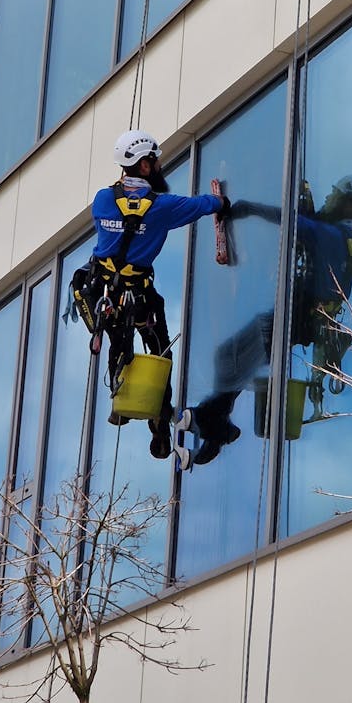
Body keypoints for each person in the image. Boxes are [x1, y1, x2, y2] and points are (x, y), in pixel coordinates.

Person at [182, 174, 352, 466]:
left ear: (348, 204)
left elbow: (300, 225)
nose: (328, 198)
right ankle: (219, 429)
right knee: (238, 363)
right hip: (306, 319)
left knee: (229, 357)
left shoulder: (333, 236)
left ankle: (212, 421)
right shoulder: (346, 238)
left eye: (335, 195)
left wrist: (250, 208)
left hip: (298, 319)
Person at [72, 129, 230, 459]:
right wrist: (222, 202)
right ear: (144, 166)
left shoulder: (102, 200)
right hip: (140, 297)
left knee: (120, 346)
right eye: (154, 163)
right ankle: (159, 424)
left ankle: (121, 403)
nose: (159, 168)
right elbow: (201, 205)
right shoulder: (162, 207)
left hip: (107, 293)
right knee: (160, 354)